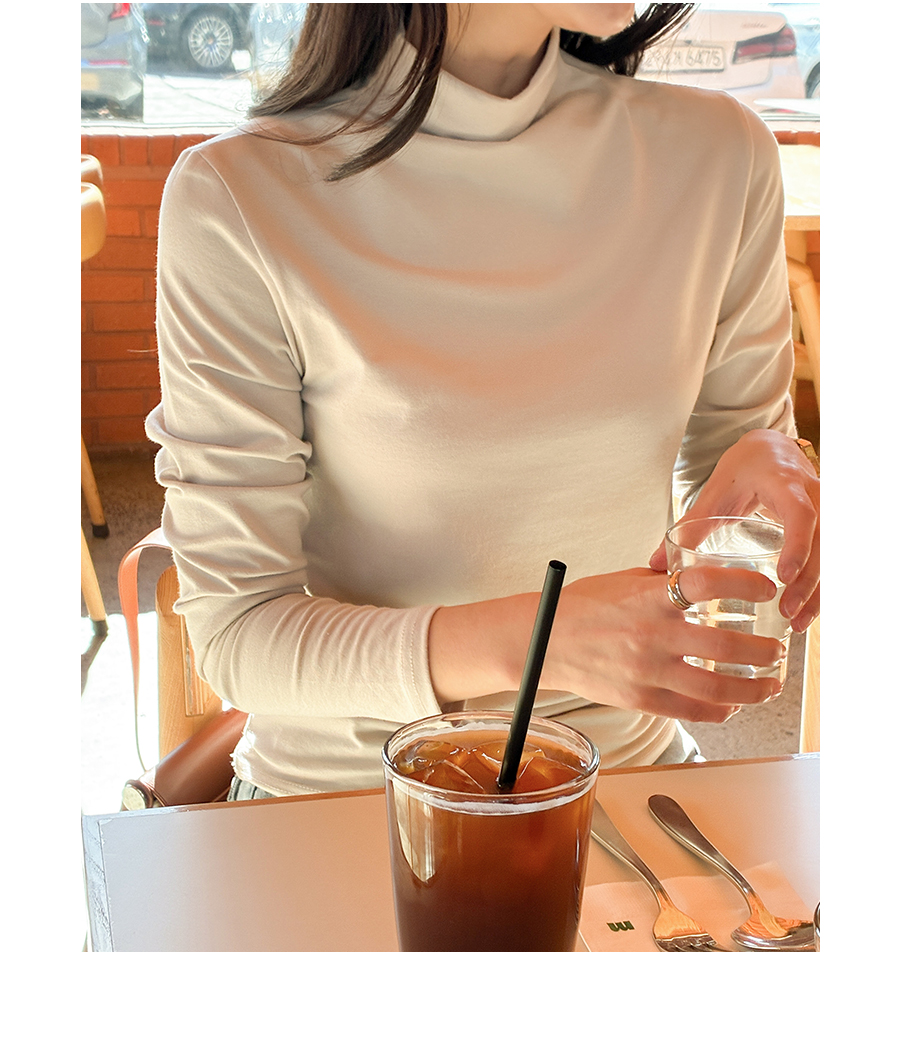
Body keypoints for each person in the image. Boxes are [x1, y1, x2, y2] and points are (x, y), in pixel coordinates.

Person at [146, 3, 820, 799]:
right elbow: (239, 634)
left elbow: (727, 504)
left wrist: (769, 469)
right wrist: (544, 641)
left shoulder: (721, 154)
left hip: (633, 781)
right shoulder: (239, 194)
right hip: (349, 798)